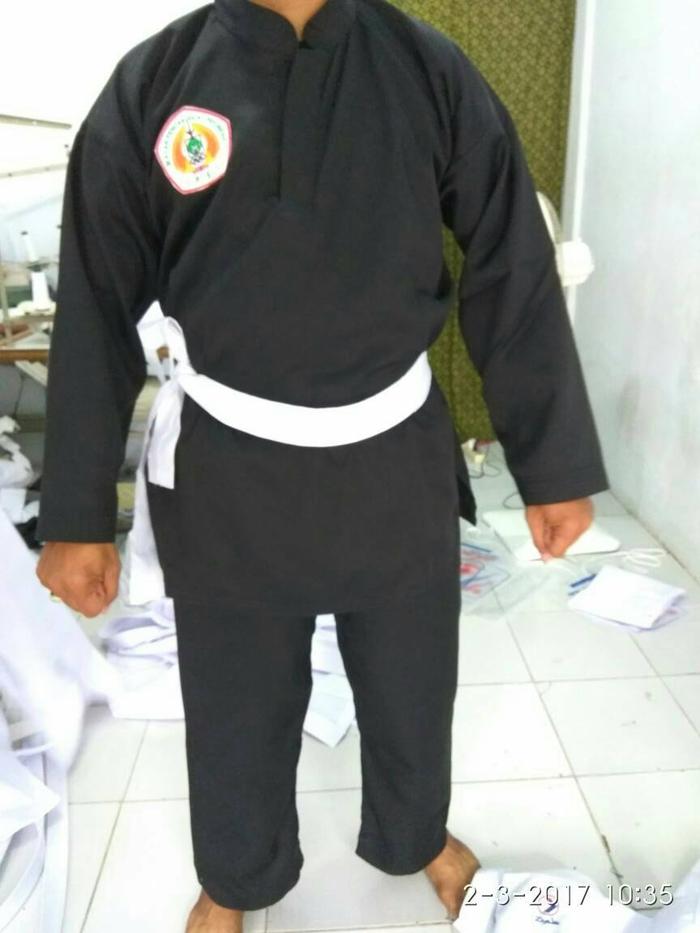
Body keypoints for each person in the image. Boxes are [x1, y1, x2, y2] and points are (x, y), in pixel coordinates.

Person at [34, 0, 610, 929]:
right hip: (230, 471)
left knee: (412, 683)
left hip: (392, 458)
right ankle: (236, 876)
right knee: (235, 697)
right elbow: (98, 297)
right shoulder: (154, 84)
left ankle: (417, 834)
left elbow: (510, 256)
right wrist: (74, 513)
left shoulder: (428, 70)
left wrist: (552, 461)